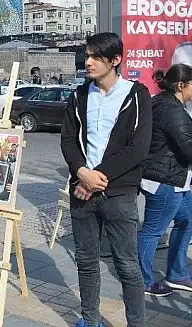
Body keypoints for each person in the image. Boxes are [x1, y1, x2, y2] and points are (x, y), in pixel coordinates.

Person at [60, 32, 150, 327]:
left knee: (126, 265)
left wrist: (98, 177)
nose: (88, 62)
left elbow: (138, 148)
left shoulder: (136, 95)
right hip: (82, 190)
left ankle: (136, 323)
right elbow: (68, 141)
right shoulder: (79, 95)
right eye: (87, 55)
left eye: (96, 56)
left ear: (115, 60)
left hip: (119, 193)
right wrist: (81, 173)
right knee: (85, 262)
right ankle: (89, 318)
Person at [137, 65, 192, 297]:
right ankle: (142, 280)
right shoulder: (172, 110)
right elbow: (188, 149)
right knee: (152, 231)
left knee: (187, 220)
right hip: (164, 180)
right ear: (181, 85)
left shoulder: (163, 101)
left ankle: (177, 273)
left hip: (174, 179)